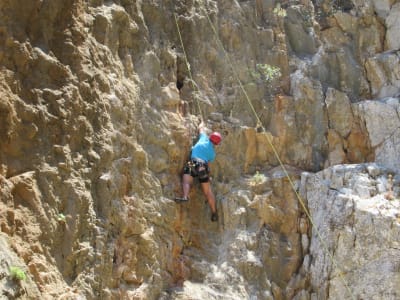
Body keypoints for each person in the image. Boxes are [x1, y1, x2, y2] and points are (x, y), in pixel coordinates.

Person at [175, 122, 222, 222]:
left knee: (186, 181)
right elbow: (208, 166)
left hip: (193, 162)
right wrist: (208, 176)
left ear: (210, 137)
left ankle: (185, 196)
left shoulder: (203, 138)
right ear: (216, 144)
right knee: (208, 192)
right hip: (203, 166)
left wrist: (202, 123)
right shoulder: (212, 153)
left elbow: (200, 128)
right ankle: (214, 213)